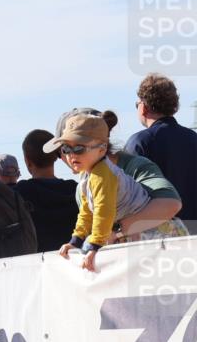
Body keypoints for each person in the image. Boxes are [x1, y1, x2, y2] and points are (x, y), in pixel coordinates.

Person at [47, 114, 164, 272]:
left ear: (102, 149)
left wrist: (94, 246)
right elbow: (87, 212)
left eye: (79, 148)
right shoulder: (87, 175)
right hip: (137, 232)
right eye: (66, 148)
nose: (71, 155)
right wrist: (76, 240)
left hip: (152, 234)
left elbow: (104, 212)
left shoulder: (102, 175)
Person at [56, 108, 184, 239]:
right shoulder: (83, 186)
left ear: (101, 146)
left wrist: (116, 230)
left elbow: (170, 204)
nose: (67, 155)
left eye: (78, 148)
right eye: (65, 148)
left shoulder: (134, 167)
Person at [125, 73, 197, 222]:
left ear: (143, 107)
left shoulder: (139, 142)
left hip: (156, 232)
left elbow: (127, 195)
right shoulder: (194, 138)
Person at [14, 129, 80, 252]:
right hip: (76, 258)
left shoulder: (20, 192)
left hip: (37, 261)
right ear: (57, 156)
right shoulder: (75, 189)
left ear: (27, 161)